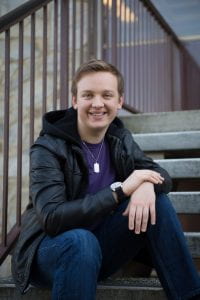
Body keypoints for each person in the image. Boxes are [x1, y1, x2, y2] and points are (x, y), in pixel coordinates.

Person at [12, 59, 200, 300]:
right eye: (88, 95)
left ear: (119, 101)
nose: (97, 104)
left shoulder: (119, 138)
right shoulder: (48, 148)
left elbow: (161, 175)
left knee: (159, 203)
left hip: (100, 249)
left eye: (107, 95)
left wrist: (146, 185)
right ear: (75, 100)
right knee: (81, 240)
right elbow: (52, 217)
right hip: (51, 251)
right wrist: (120, 191)